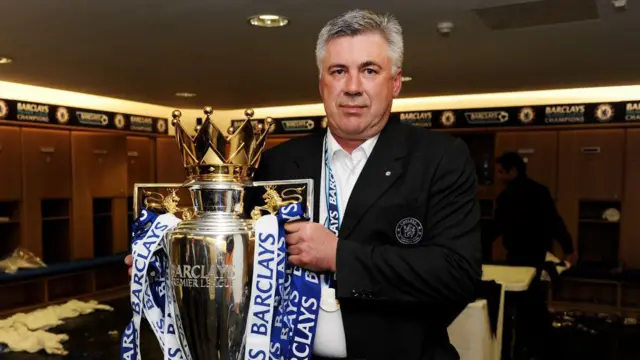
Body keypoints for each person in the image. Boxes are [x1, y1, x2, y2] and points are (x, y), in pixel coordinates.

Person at [126, 9, 482, 360]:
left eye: (369, 70)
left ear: (395, 82)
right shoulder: (277, 163)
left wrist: (338, 256)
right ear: (321, 83)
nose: (353, 87)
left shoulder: (439, 158)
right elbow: (241, 261)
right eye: (338, 71)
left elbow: (458, 274)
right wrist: (171, 265)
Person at [485, 151, 575, 359]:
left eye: (501, 172)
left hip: (516, 258)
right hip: (536, 256)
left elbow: (495, 228)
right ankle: (541, 348)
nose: (498, 176)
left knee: (520, 305)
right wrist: (569, 249)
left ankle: (522, 346)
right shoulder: (540, 191)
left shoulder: (506, 198)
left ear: (513, 171)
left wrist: (476, 249)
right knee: (534, 303)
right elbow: (555, 222)